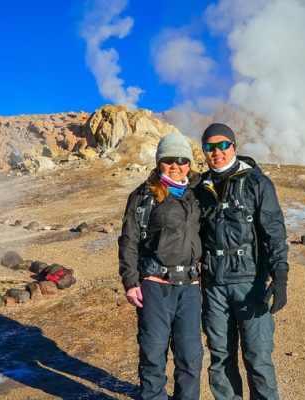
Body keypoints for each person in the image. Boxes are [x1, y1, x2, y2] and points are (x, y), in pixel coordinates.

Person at [194, 123, 289, 400]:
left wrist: (280, 277)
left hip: (251, 283)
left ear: (233, 146)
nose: (217, 152)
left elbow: (274, 231)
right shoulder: (200, 188)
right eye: (210, 147)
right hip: (213, 286)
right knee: (220, 358)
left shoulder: (257, 183)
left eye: (223, 145)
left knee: (257, 357)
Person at [118, 132, 204, 400]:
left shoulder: (197, 195)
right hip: (156, 285)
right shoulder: (143, 196)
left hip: (190, 288)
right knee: (153, 354)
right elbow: (129, 241)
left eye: (182, 160)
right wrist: (131, 282)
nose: (176, 165)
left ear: (189, 164)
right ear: (159, 162)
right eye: (169, 160)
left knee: (190, 356)